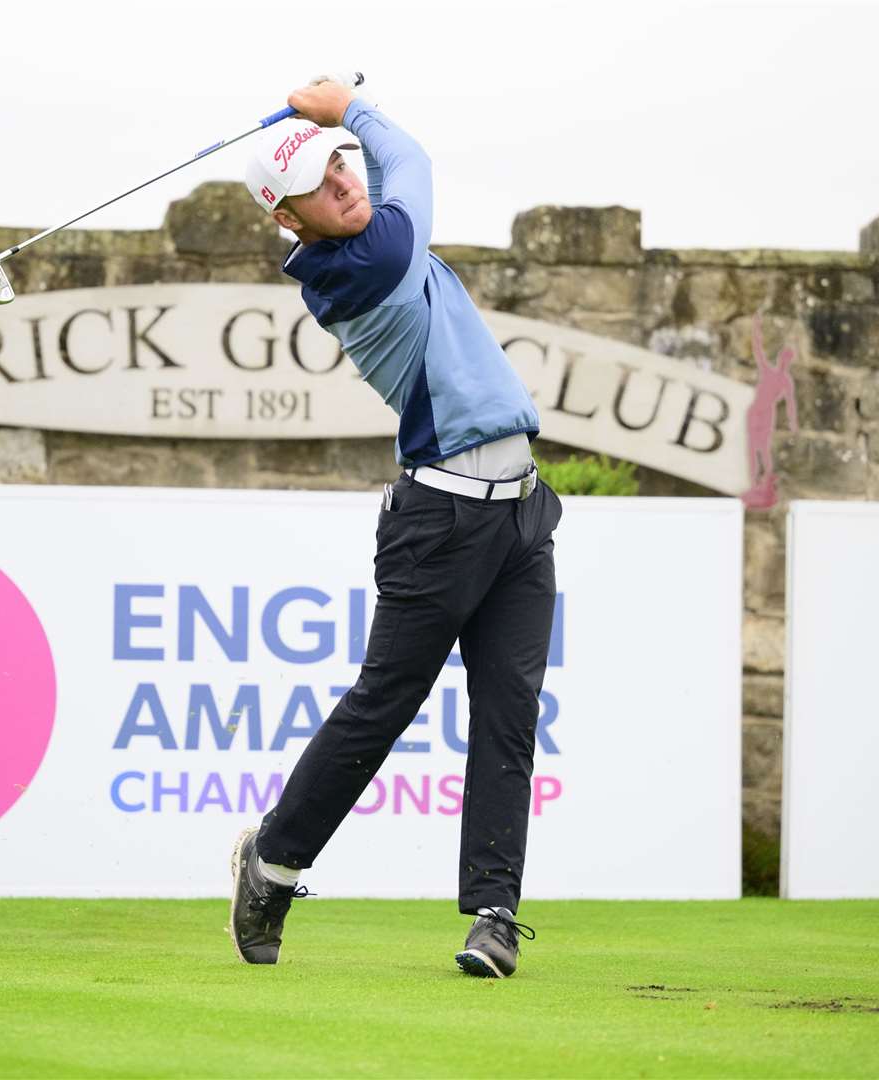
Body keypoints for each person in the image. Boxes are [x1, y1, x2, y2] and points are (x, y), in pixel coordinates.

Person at [225, 77, 560, 979]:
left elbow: (380, 170)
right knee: (386, 705)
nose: (343, 181)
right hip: (440, 521)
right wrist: (346, 111)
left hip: (522, 513)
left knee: (509, 713)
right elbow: (410, 159)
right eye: (317, 185)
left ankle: (493, 916)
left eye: (339, 164)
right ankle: (274, 863)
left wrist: (329, 133)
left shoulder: (366, 232)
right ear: (290, 222)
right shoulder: (365, 260)